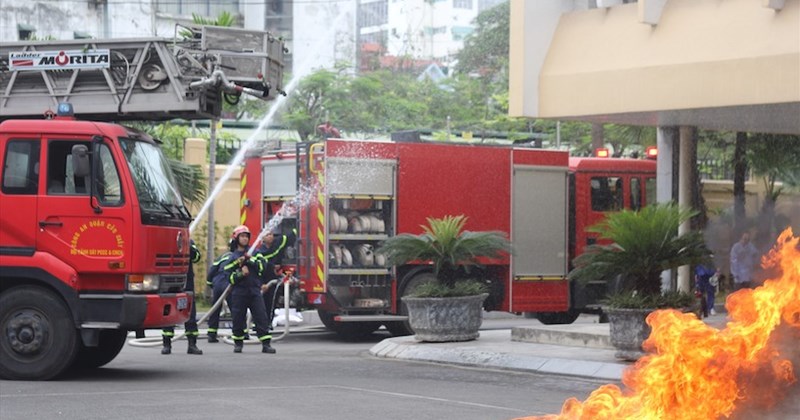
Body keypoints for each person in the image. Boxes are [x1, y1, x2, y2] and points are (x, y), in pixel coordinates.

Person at [221, 225, 276, 354]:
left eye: (246, 236)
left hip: (254, 291)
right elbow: (229, 277)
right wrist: (240, 273)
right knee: (238, 318)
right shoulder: (232, 257)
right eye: (242, 236)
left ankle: (266, 344)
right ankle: (238, 344)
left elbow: (263, 267)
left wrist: (250, 261)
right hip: (239, 292)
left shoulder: (255, 253)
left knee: (261, 316)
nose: (245, 239)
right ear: (236, 238)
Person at [162, 239, 203, 355]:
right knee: (169, 312)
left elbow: (197, 258)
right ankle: (166, 344)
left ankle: (192, 344)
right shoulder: (168, 241)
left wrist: (190, 247)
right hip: (171, 280)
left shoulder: (189, 242)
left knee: (190, 313)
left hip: (186, 281)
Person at [255, 226, 297, 328]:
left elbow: (290, 236)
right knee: (260, 303)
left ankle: (268, 323)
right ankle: (259, 324)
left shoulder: (278, 243)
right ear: (262, 238)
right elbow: (259, 266)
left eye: (271, 234)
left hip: (274, 279)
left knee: (271, 302)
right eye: (267, 235)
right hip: (263, 280)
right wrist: (272, 267)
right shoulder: (259, 252)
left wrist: (299, 227)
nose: (270, 236)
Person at [205, 249, 233, 343]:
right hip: (228, 282)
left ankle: (211, 334)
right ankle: (242, 333)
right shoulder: (238, 257)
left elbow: (212, 270)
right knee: (236, 309)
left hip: (217, 282)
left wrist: (211, 284)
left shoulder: (222, 256)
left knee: (215, 309)